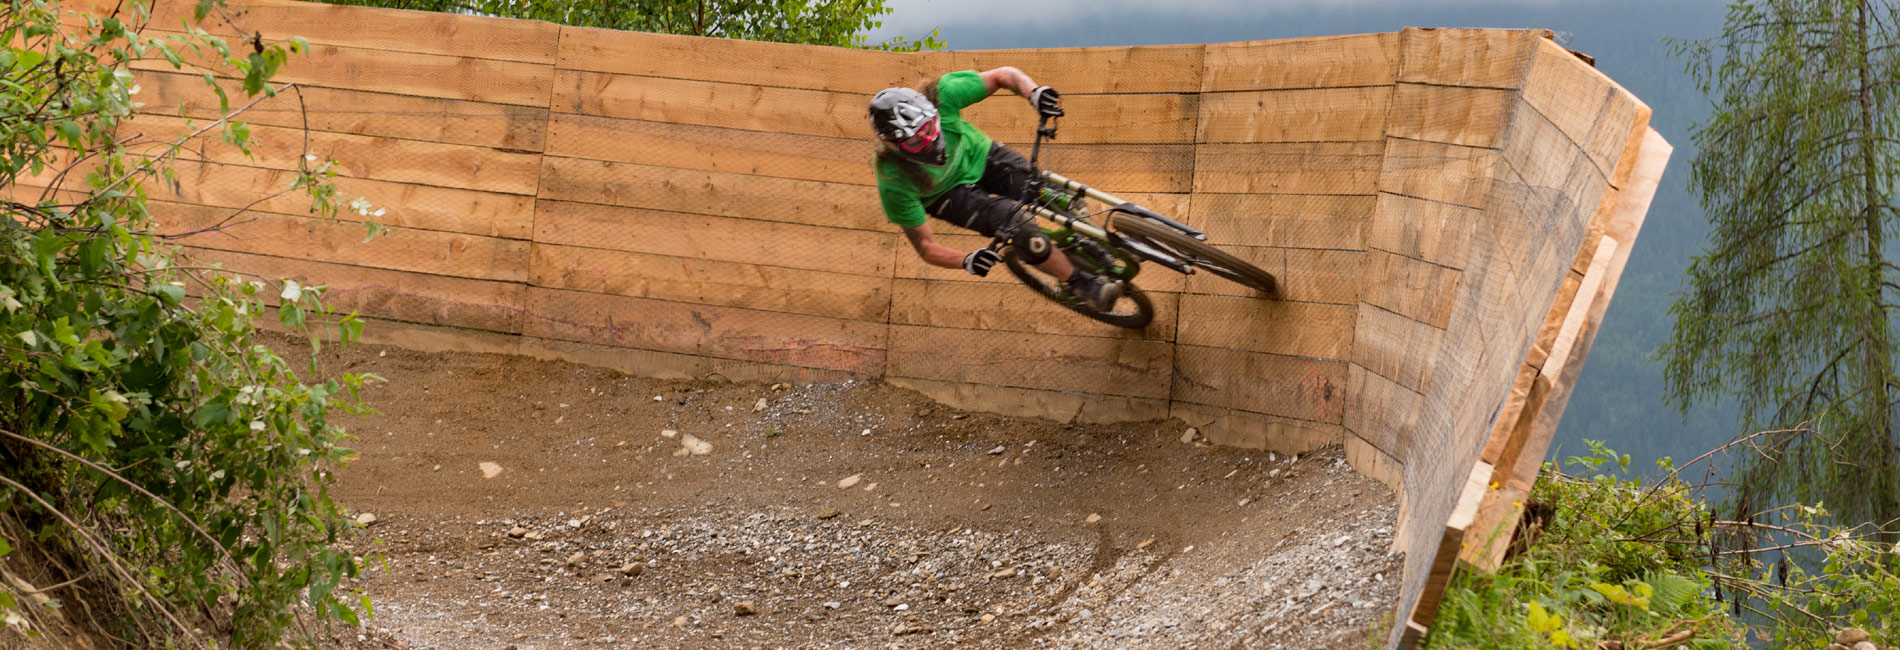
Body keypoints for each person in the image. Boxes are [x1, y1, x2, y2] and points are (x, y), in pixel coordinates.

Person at [869, 67, 1123, 311]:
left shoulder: (942, 95)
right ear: (889, 143)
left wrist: (1034, 93)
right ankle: (1079, 284)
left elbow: (1003, 75)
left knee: (1058, 196)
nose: (930, 141)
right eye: (915, 141)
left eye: (930, 127)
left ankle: (1098, 244)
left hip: (981, 156)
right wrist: (966, 261)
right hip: (946, 195)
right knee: (1020, 226)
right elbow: (925, 246)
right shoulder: (893, 180)